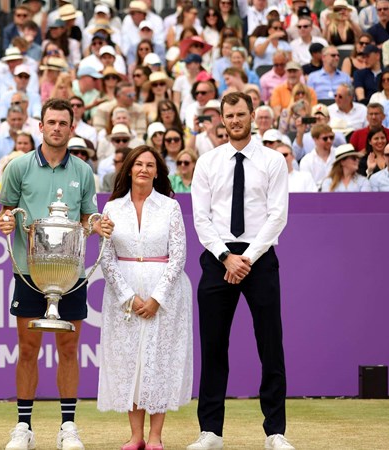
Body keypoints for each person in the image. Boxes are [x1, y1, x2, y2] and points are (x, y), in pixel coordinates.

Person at [0, 98, 114, 450]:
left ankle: (67, 427)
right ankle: (23, 427)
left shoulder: (82, 171)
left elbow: (85, 219)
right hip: (30, 272)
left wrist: (98, 224)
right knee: (28, 348)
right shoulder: (18, 167)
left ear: (71, 128)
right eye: (52, 122)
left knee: (68, 348)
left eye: (63, 123)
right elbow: (8, 211)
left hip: (70, 275)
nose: (57, 128)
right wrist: (5, 221)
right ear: (41, 126)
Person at [189, 92, 294, 450]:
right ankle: (211, 432)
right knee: (213, 347)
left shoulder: (273, 160)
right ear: (222, 118)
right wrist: (226, 257)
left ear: (252, 116)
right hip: (218, 258)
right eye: (229, 115)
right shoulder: (208, 162)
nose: (235, 120)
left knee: (270, 345)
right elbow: (200, 218)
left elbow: (277, 215)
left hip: (259, 257)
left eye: (240, 114)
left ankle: (275, 433)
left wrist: (246, 257)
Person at [98, 145, 193, 450]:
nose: (143, 169)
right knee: (130, 362)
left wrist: (157, 298)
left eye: (150, 165)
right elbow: (106, 257)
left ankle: (155, 436)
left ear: (157, 171)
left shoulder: (170, 207)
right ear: (128, 169)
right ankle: (136, 436)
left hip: (164, 293)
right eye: (138, 164)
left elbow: (178, 256)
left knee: (158, 361)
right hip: (122, 295)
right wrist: (127, 297)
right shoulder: (112, 208)